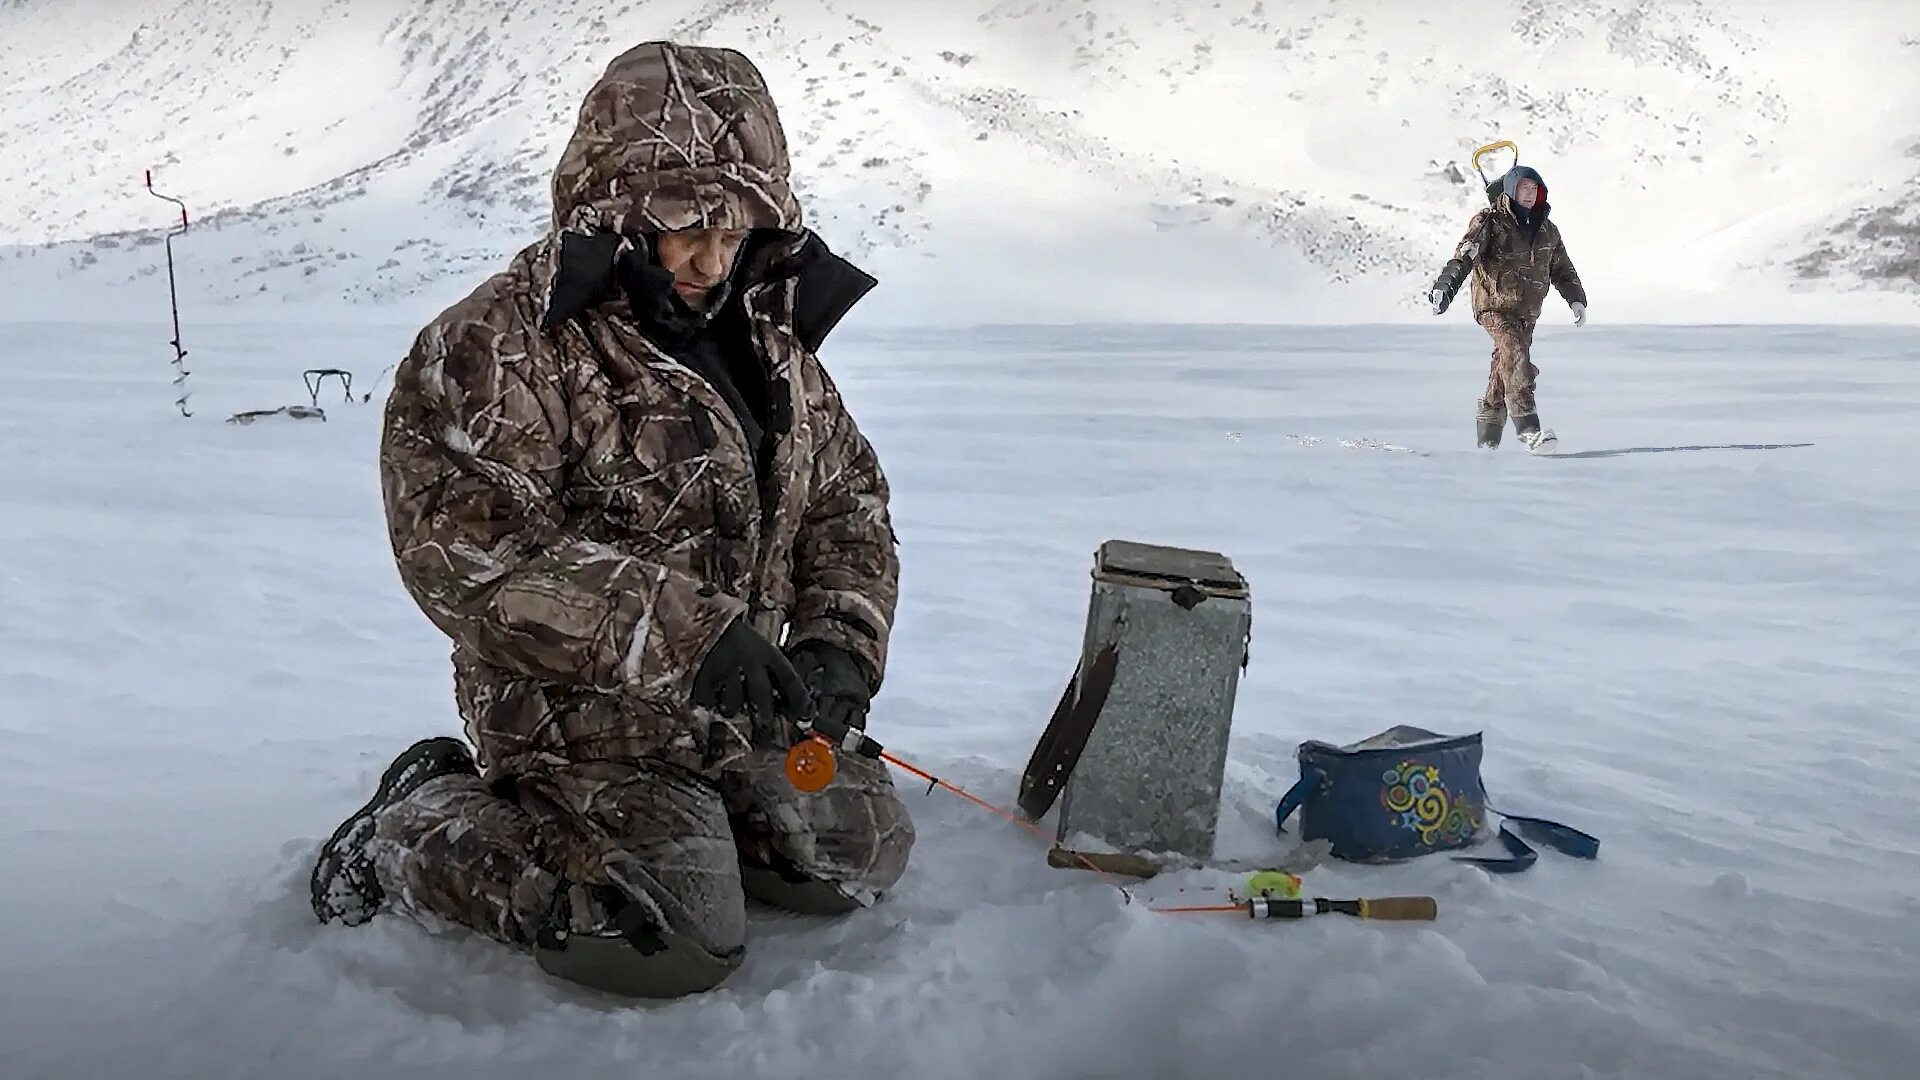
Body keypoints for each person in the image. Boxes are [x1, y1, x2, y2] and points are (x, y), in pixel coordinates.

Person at [307, 40, 914, 1000]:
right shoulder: (497, 344)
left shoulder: (768, 337)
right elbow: (466, 557)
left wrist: (840, 643)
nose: (712, 262)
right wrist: (684, 635)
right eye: (683, 231)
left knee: (858, 849)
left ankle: (703, 810)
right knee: (660, 927)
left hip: (736, 702)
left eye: (733, 230)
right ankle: (415, 823)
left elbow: (847, 502)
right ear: (617, 216)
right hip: (573, 714)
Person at [1428, 164, 1588, 450]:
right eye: (1524, 188)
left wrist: (1576, 298)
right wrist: (1445, 287)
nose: (1529, 194)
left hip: (1527, 312)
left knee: (1503, 367)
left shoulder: (1547, 231)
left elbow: (1562, 268)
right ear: (1512, 190)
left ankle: (1487, 441)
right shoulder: (1490, 221)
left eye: (1534, 189)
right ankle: (1529, 431)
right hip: (1494, 305)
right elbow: (1466, 254)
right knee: (1516, 356)